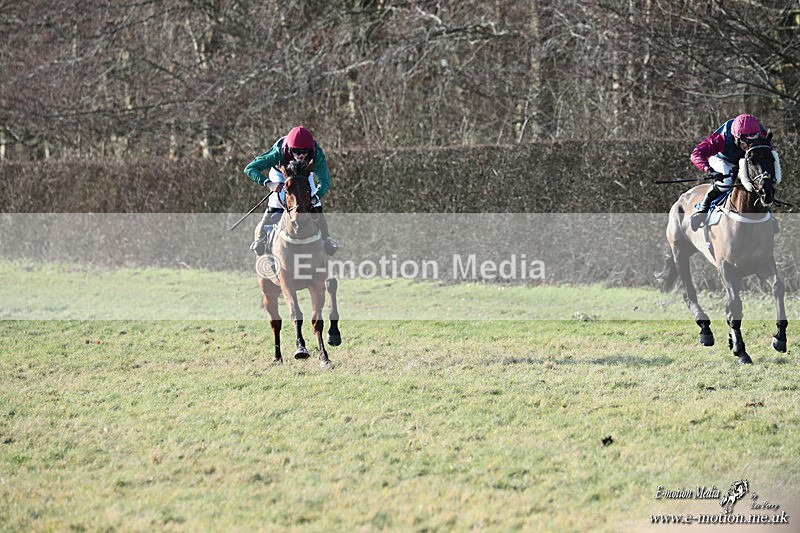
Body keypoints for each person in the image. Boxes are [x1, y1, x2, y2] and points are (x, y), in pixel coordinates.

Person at [244, 126, 338, 255]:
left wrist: (316, 196)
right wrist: (269, 183)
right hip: (281, 173)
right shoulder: (278, 151)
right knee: (276, 203)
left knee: (316, 204)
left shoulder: (317, 153)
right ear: (289, 149)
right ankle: (261, 237)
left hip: (304, 173)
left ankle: (327, 238)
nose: (300, 155)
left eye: (304, 152)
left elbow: (324, 180)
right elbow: (250, 168)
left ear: (310, 149)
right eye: (296, 152)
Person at [689, 113, 772, 230]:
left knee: (759, 180)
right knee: (727, 181)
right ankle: (703, 208)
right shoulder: (722, 138)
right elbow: (696, 154)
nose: (750, 145)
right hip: (721, 159)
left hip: (745, 160)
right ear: (736, 138)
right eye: (746, 142)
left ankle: (766, 213)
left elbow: (768, 155)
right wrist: (710, 171)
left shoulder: (760, 133)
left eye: (754, 140)